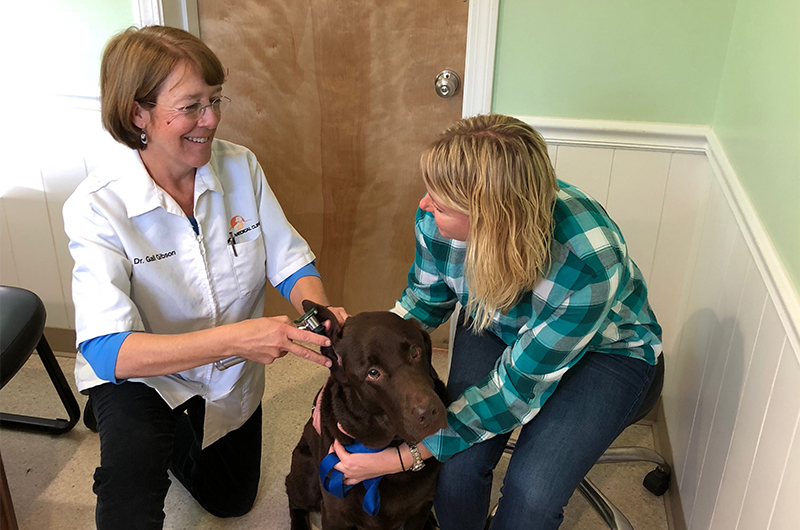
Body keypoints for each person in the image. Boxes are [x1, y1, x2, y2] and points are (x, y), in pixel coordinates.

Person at [62, 26, 346, 529]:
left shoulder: (240, 167)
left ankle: (172, 435)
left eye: (215, 101)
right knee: (130, 493)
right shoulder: (96, 206)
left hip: (229, 372)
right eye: (191, 106)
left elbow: (289, 262)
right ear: (137, 114)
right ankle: (130, 431)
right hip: (142, 374)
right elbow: (106, 348)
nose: (211, 121)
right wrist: (238, 339)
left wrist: (316, 309)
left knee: (231, 501)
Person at [328, 114, 662, 530]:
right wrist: (351, 361)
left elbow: (512, 393)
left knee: (531, 493)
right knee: (459, 468)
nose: (424, 205)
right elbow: (424, 302)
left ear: (491, 221)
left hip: (608, 351)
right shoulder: (437, 222)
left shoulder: (587, 262)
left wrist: (402, 457)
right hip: (496, 318)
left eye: (442, 202)